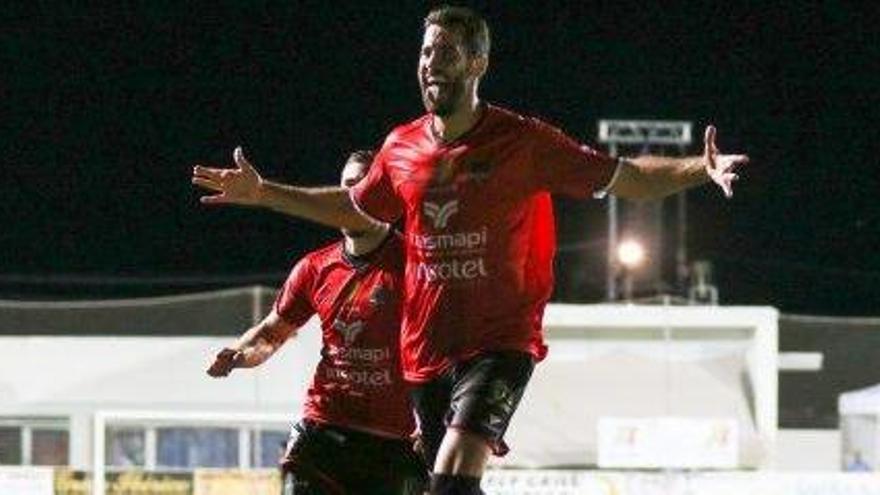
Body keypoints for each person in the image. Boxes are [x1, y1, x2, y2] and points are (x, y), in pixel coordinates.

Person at [193, 7, 748, 493]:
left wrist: (701, 168)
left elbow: (626, 177)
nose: (432, 62)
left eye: (448, 51)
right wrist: (264, 193)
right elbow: (353, 209)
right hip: (426, 355)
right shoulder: (400, 147)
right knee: (444, 484)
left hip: (500, 345)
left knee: (456, 476)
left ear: (478, 63)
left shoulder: (523, 142)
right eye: (426, 50)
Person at [205, 150, 426, 494]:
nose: (352, 197)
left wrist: (441, 421)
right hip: (323, 430)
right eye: (345, 188)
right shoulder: (314, 268)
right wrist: (239, 355)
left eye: (362, 187)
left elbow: (452, 350)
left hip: (391, 443)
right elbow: (271, 333)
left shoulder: (417, 265)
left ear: (386, 198)